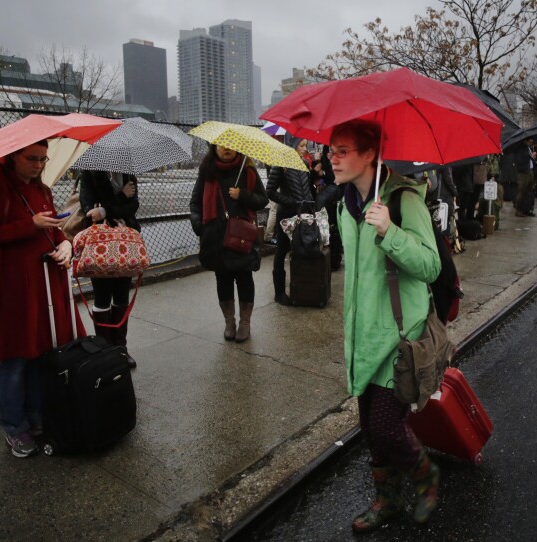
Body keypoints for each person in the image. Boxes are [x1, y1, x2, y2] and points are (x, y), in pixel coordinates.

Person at [329, 119, 442, 532]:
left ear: (369, 154)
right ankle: (387, 500)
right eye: (331, 150)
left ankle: (426, 477)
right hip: (361, 337)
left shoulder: (403, 199)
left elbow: (430, 266)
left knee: (386, 426)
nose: (333, 158)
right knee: (369, 429)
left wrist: (391, 231)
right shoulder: (344, 205)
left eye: (342, 150)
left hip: (399, 335)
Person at [0, 139, 85, 458]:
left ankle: (35, 416)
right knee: (16, 358)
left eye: (43, 159)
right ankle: (13, 426)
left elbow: (54, 228)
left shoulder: (42, 189)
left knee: (39, 353)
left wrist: (65, 245)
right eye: (32, 158)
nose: (38, 165)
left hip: (43, 281)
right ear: (13, 156)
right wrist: (28, 225)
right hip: (12, 287)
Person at [189, 144, 268, 342]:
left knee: (244, 279)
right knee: (222, 280)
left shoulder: (247, 169)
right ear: (214, 148)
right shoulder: (207, 170)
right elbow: (195, 201)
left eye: (231, 146)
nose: (226, 149)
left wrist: (243, 195)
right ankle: (229, 322)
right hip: (215, 237)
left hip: (241, 237)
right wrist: (199, 225)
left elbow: (263, 199)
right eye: (221, 146)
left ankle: (245, 323)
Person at [79, 169, 140, 369]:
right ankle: (104, 349)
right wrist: (121, 196)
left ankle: (121, 348)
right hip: (100, 244)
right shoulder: (89, 173)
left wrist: (105, 210)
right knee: (102, 296)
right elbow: (90, 211)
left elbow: (133, 206)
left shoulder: (128, 173)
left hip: (125, 243)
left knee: (122, 294)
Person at [266, 138, 337, 305]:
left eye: (305, 145)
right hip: (287, 216)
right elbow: (270, 191)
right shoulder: (280, 165)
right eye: (301, 145)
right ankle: (279, 292)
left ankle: (303, 288)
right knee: (281, 251)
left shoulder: (304, 163)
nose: (305, 149)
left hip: (303, 215)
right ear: (292, 145)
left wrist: (313, 173)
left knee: (303, 249)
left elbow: (306, 187)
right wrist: (290, 202)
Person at [513, 137, 537, 217]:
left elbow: (529, 160)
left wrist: (532, 158)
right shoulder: (520, 149)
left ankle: (528, 209)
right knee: (522, 192)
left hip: (530, 171)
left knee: (530, 192)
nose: (531, 143)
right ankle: (519, 209)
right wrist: (530, 157)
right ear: (525, 141)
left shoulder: (528, 148)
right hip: (523, 173)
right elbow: (519, 161)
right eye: (529, 142)